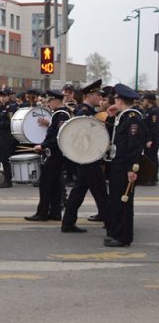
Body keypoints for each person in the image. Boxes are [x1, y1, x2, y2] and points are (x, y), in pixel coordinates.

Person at [61, 79, 110, 233]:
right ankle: (112, 224)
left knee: (79, 192)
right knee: (100, 192)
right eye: (97, 95)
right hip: (88, 158)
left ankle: (68, 223)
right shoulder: (84, 112)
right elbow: (82, 137)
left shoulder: (88, 111)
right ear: (89, 95)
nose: (100, 98)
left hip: (87, 158)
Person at [104, 84, 147, 247]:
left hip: (124, 167)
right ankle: (115, 232)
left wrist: (131, 168)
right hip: (117, 165)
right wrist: (110, 116)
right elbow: (112, 137)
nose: (114, 101)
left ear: (120, 100)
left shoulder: (132, 118)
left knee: (124, 203)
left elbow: (134, 146)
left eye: (115, 99)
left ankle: (123, 236)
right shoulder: (121, 117)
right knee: (116, 200)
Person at [25, 90, 70, 222]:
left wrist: (43, 146)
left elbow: (59, 136)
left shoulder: (61, 115)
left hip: (56, 154)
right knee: (56, 184)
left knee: (45, 184)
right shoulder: (58, 115)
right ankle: (55, 212)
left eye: (50, 101)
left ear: (56, 101)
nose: (48, 104)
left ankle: (42, 213)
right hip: (57, 154)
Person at [0, 88, 18, 188]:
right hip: (1, 136)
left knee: (5, 158)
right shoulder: (2, 107)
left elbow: (10, 122)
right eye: (1, 96)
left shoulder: (11, 107)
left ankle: (8, 180)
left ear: (8, 96)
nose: (2, 98)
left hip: (7, 136)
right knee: (3, 158)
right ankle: (6, 178)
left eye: (4, 96)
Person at [142, 93, 159, 186]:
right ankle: (153, 177)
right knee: (150, 158)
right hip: (147, 138)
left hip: (152, 139)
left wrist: (150, 140)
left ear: (148, 100)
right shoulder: (148, 110)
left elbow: (154, 127)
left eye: (144, 99)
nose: (143, 101)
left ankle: (151, 179)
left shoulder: (154, 111)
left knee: (151, 159)